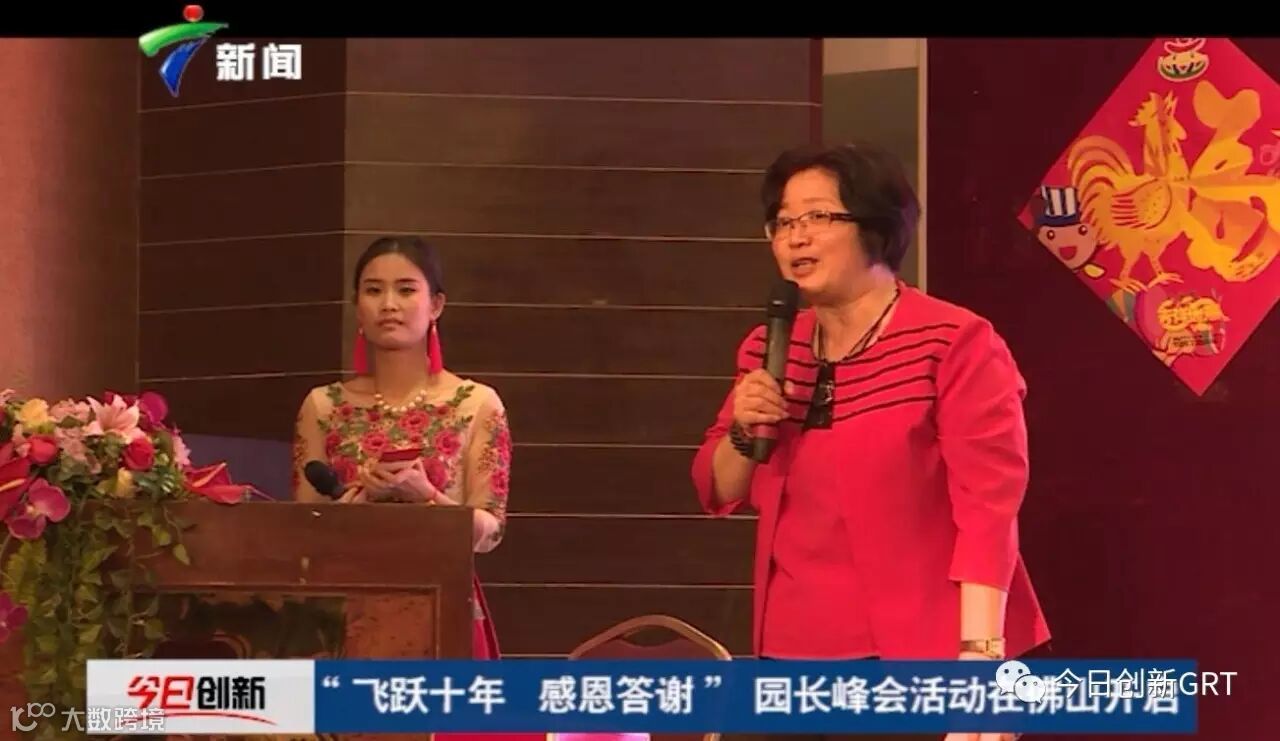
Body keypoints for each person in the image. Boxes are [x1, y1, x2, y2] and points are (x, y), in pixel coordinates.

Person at [691, 143, 1050, 741]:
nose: (796, 236)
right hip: (792, 658)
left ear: (876, 224)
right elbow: (716, 486)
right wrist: (741, 427)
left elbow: (988, 512)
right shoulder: (767, 348)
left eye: (817, 216)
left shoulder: (953, 342)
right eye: (783, 221)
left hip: (924, 656)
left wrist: (981, 667)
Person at [292, 235, 511, 660]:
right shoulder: (322, 406)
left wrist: (425, 496)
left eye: (406, 290)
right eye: (374, 290)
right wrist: (355, 505)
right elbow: (301, 531)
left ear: (436, 305)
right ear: (358, 307)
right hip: (343, 612)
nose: (389, 304)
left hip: (442, 606)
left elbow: (491, 532)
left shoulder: (477, 404)